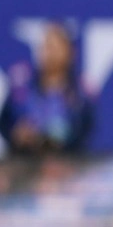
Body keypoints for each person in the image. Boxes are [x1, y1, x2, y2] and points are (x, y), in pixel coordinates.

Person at [1, 22, 93, 155]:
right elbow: (5, 121)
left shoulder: (80, 92)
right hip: (24, 162)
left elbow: (85, 129)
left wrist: (57, 140)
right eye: (45, 46)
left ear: (69, 52)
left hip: (66, 164)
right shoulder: (21, 85)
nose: (49, 53)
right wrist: (16, 133)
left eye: (54, 47)